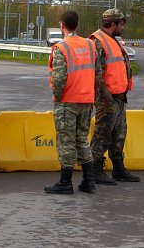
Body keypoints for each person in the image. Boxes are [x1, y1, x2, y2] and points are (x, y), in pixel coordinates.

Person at [44, 10, 98, 194]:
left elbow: (59, 79)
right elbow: (97, 73)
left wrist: (58, 99)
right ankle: (89, 181)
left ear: (62, 25)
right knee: (82, 139)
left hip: (67, 102)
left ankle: (65, 183)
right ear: (78, 24)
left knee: (66, 141)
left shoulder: (62, 48)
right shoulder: (90, 45)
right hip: (86, 100)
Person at [89, 8, 141, 184]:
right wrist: (106, 101)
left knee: (119, 134)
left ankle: (118, 169)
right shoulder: (99, 42)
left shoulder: (112, 40)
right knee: (102, 134)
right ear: (112, 23)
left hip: (119, 97)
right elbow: (97, 75)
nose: (123, 27)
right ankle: (95, 170)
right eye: (121, 24)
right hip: (107, 99)